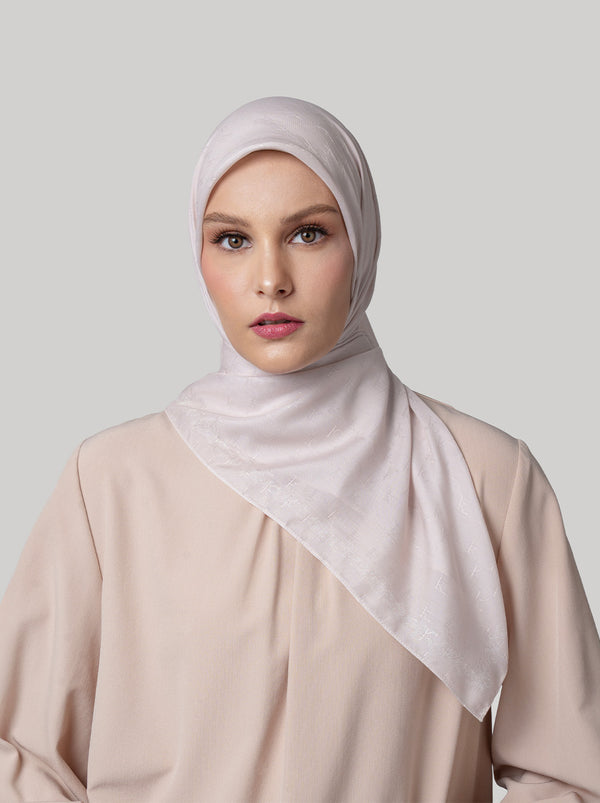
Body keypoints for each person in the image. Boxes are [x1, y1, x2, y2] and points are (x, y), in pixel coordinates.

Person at [0, 96, 599, 802]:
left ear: (362, 242)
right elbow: (25, 757)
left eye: (309, 233)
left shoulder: (486, 477)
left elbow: (569, 771)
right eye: (233, 239)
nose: (270, 278)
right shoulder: (110, 482)